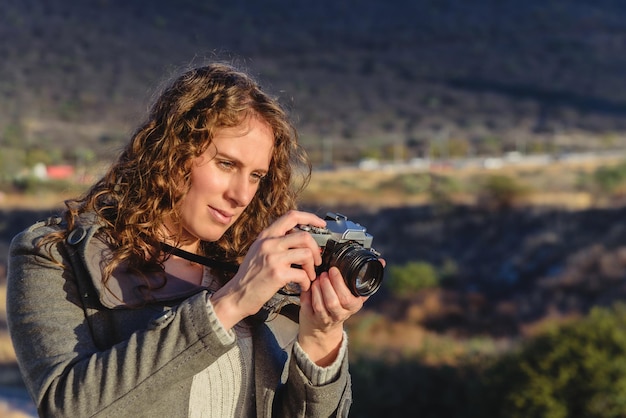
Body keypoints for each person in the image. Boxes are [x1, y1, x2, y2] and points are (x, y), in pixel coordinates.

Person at [7, 62, 370, 417]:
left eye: (257, 175)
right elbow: (67, 407)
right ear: (171, 153)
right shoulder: (53, 256)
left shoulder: (248, 269)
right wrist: (231, 303)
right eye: (226, 164)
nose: (242, 195)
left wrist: (322, 336)